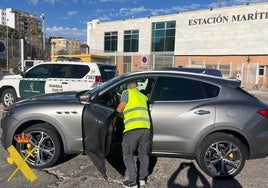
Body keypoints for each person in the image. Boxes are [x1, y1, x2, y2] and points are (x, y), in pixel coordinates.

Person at [116, 80, 151, 188]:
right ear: (136, 87)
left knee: (127, 154)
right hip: (146, 129)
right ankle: (142, 179)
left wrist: (118, 116)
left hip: (132, 128)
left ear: (128, 87)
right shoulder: (143, 96)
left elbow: (119, 109)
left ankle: (132, 182)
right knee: (143, 154)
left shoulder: (127, 93)